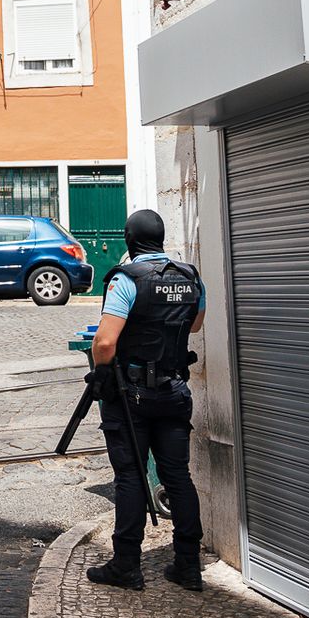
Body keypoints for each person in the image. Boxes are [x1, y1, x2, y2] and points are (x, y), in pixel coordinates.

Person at [84, 209, 206, 593]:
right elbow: (196, 322)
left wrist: (103, 372)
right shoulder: (190, 276)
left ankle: (126, 565)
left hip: (132, 393)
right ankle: (188, 566)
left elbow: (105, 341)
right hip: (174, 390)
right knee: (178, 476)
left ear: (129, 239)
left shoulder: (127, 279)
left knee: (131, 477)